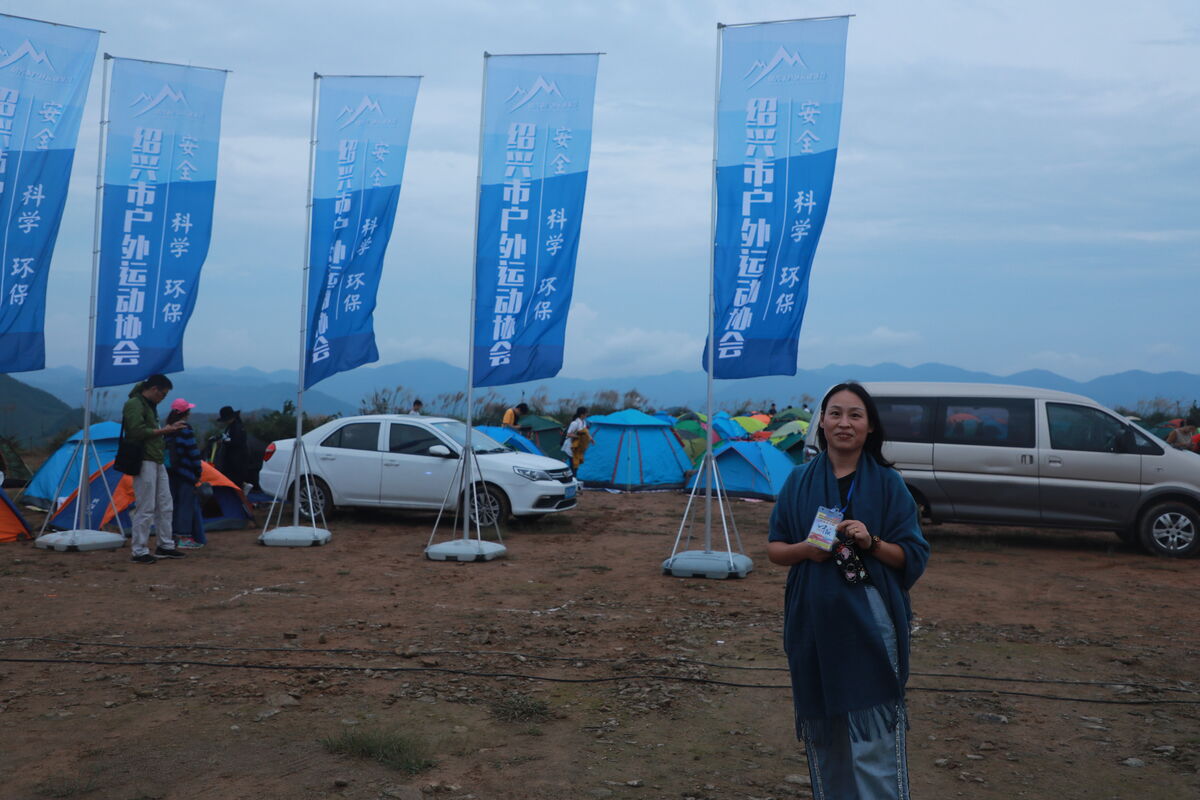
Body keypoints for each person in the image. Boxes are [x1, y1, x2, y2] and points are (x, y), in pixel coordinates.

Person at [767, 382, 930, 799]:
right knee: (829, 734)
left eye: (855, 415)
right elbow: (775, 549)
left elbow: (912, 555)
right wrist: (808, 549)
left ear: (870, 426)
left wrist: (871, 541)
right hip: (813, 622)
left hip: (870, 623)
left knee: (872, 730)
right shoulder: (799, 481)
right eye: (835, 413)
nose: (844, 423)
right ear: (821, 422)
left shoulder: (890, 485)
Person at [122, 374, 187, 564]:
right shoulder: (135, 404)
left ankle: (165, 544)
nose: (163, 398)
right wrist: (164, 431)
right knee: (146, 506)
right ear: (154, 389)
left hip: (156, 458)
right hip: (144, 458)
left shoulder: (149, 405)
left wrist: (167, 429)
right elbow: (135, 432)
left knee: (165, 504)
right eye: (163, 394)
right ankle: (139, 550)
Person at [164, 399, 206, 549]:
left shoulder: (167, 429)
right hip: (185, 473)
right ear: (186, 413)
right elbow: (193, 453)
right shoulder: (185, 430)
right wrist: (198, 471)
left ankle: (172, 536)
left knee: (172, 504)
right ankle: (184, 537)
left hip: (169, 472)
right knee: (185, 505)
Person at [212, 405, 250, 492]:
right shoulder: (232, 427)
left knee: (235, 481)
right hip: (232, 460)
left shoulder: (237, 427)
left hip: (237, 461)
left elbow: (237, 442)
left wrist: (224, 441)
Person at [561, 406, 591, 474]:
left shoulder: (583, 422)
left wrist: (589, 438)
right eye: (586, 414)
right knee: (574, 465)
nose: (586, 415)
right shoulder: (574, 423)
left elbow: (585, 432)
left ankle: (573, 478)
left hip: (578, 447)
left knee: (576, 465)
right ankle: (572, 479)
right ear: (582, 414)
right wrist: (578, 436)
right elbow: (568, 434)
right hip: (570, 447)